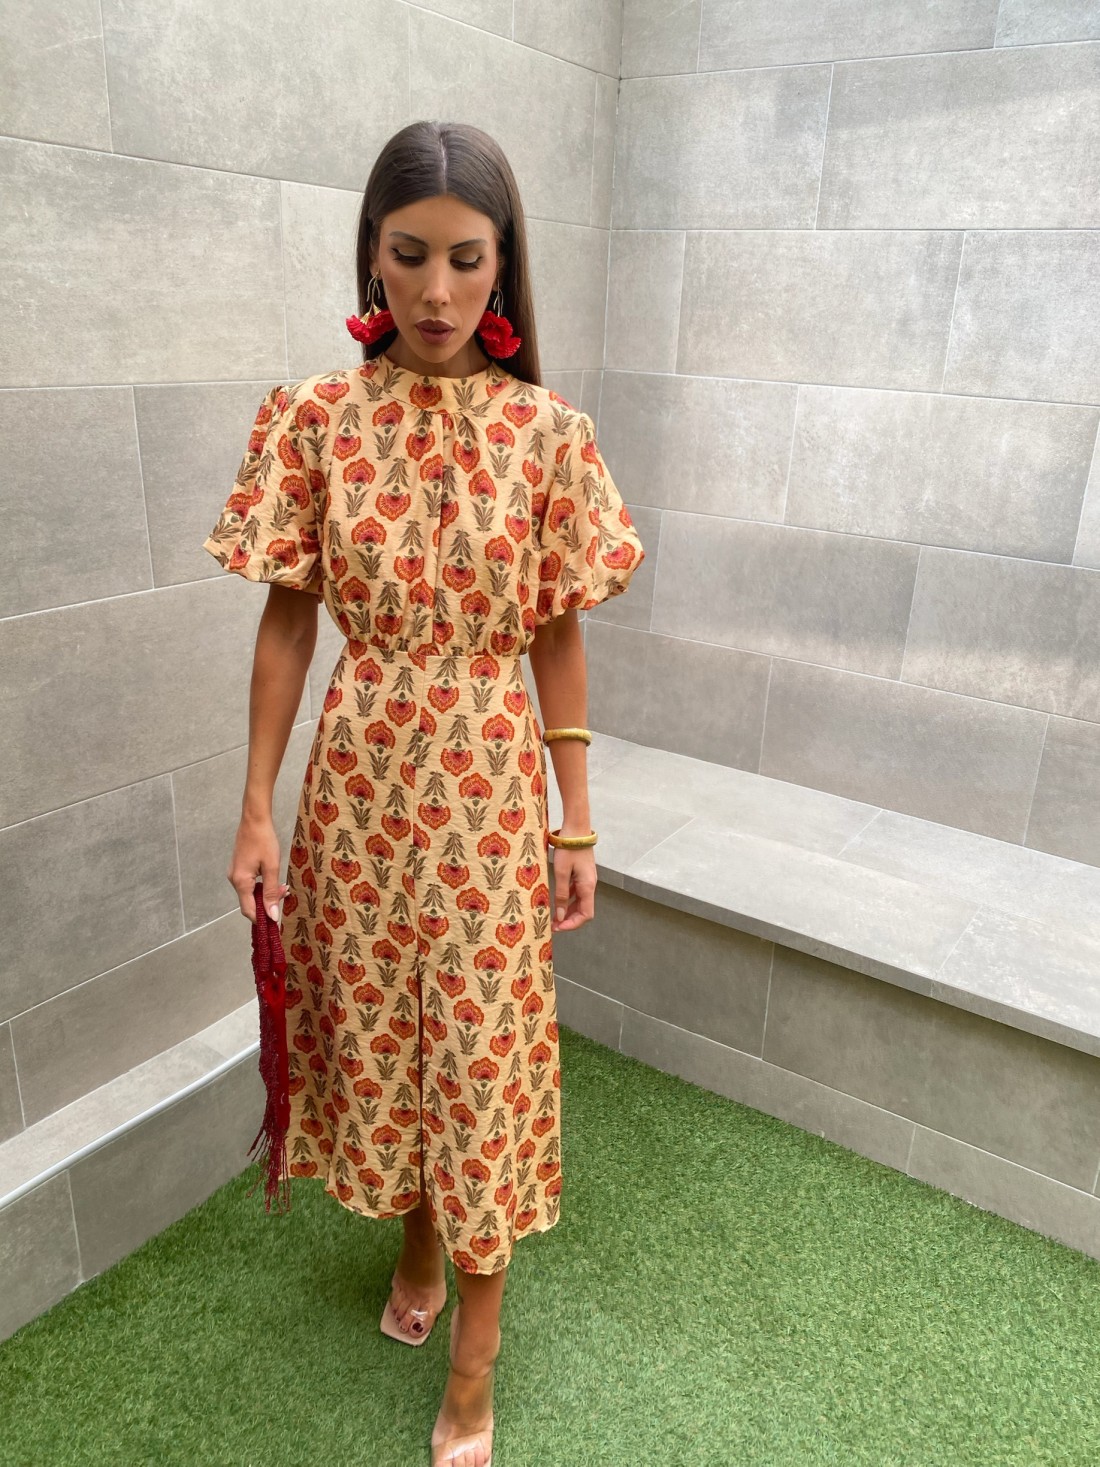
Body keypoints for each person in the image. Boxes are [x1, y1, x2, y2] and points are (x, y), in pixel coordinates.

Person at [202, 120, 646, 1467]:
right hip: (358, 780)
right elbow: (289, 624)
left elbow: (558, 632)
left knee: (482, 1049)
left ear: (504, 267)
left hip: (490, 788)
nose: (437, 292)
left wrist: (575, 818)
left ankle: (475, 1363)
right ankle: (417, 1244)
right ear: (372, 256)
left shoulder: (549, 438)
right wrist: (256, 807)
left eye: (466, 259)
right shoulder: (313, 421)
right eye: (410, 256)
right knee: (385, 1029)